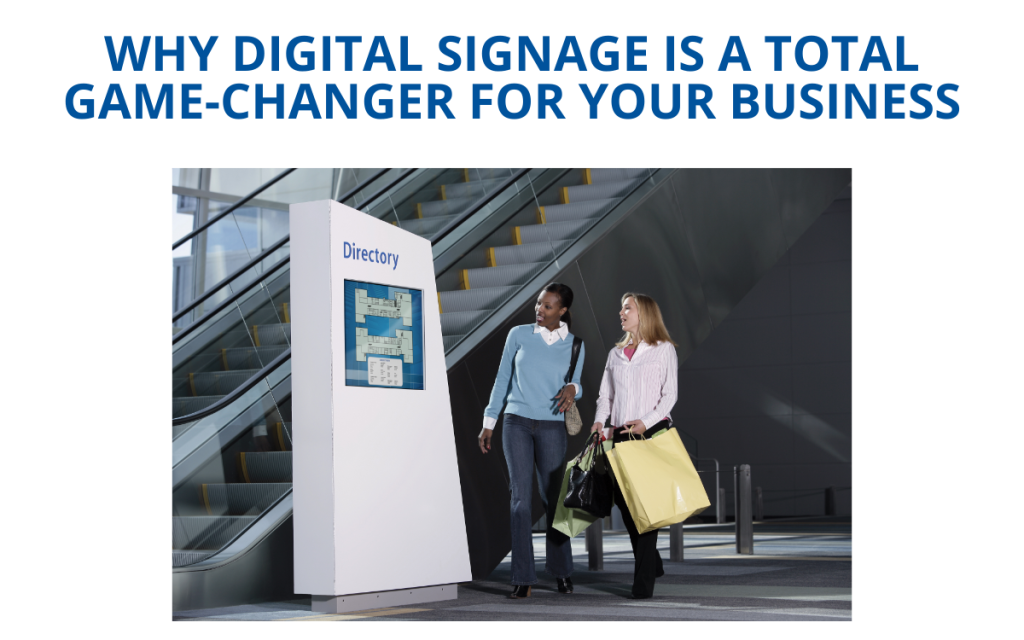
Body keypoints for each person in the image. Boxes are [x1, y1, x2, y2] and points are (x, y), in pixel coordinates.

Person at [478, 282, 586, 599]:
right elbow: (502, 379)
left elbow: (576, 382)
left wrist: (573, 390)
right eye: (539, 303)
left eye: (548, 306)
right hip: (516, 422)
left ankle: (562, 571)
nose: (540, 310)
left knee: (554, 501)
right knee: (520, 501)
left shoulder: (576, 345)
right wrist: (489, 421)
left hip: (553, 426)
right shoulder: (519, 335)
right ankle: (523, 577)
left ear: (563, 311)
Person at [590, 292, 679, 599]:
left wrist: (646, 420)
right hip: (617, 438)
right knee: (626, 509)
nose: (621, 312)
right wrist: (600, 423)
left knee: (646, 509)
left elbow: (669, 396)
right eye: (621, 307)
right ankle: (651, 562)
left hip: (649, 436)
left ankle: (642, 584)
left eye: (627, 308)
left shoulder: (663, 349)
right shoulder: (615, 354)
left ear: (644, 314)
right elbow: (606, 396)